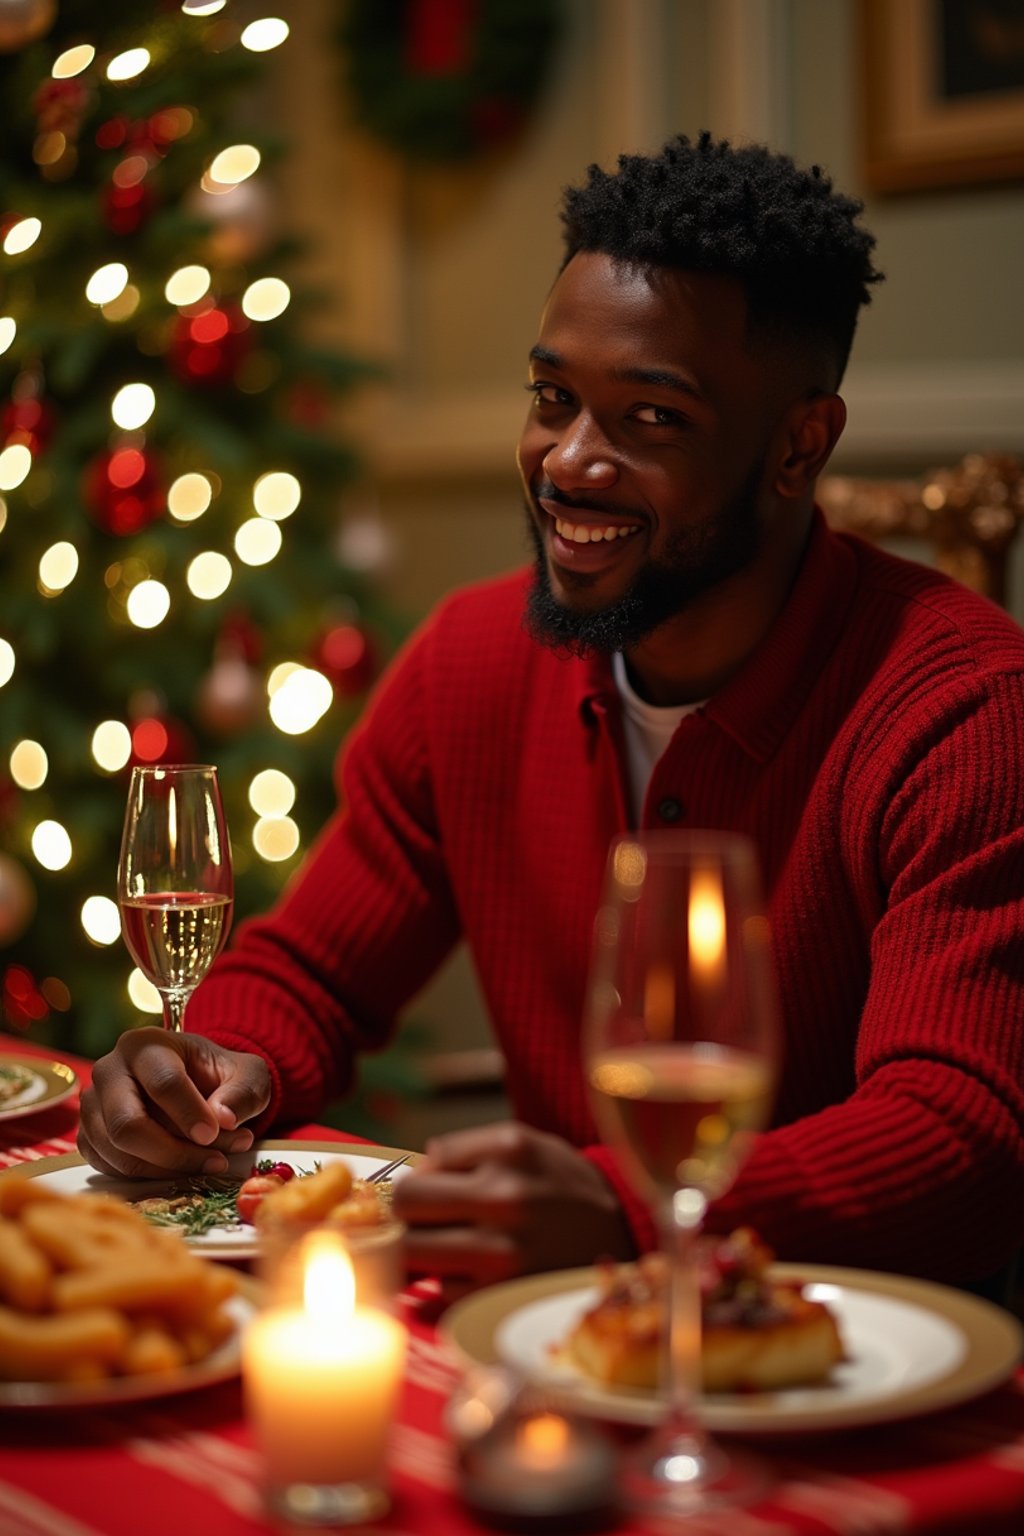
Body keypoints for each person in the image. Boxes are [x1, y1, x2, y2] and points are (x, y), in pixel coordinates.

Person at [79, 133, 1024, 1295]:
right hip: (553, 1348)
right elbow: (313, 975)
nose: (569, 462)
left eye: (651, 420)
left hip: (865, 1366)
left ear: (797, 447)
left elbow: (960, 1128)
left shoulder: (966, 707)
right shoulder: (471, 663)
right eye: (553, 399)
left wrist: (629, 1213)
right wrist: (216, 1067)